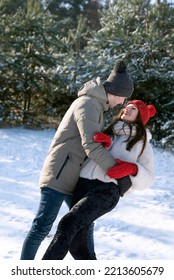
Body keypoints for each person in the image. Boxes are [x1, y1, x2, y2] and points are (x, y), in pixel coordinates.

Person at [20, 59, 134, 260]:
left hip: (74, 175)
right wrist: (117, 171)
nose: (123, 103)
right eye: (124, 98)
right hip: (60, 173)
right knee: (42, 226)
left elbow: (93, 142)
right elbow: (91, 145)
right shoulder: (88, 104)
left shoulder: (96, 105)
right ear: (116, 92)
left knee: (83, 223)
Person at [42, 99, 156, 260]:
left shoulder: (142, 143)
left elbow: (149, 177)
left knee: (68, 223)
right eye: (126, 107)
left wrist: (133, 168)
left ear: (140, 116)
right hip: (83, 185)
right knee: (77, 246)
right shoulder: (110, 131)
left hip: (107, 190)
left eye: (132, 109)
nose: (126, 110)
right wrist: (103, 146)